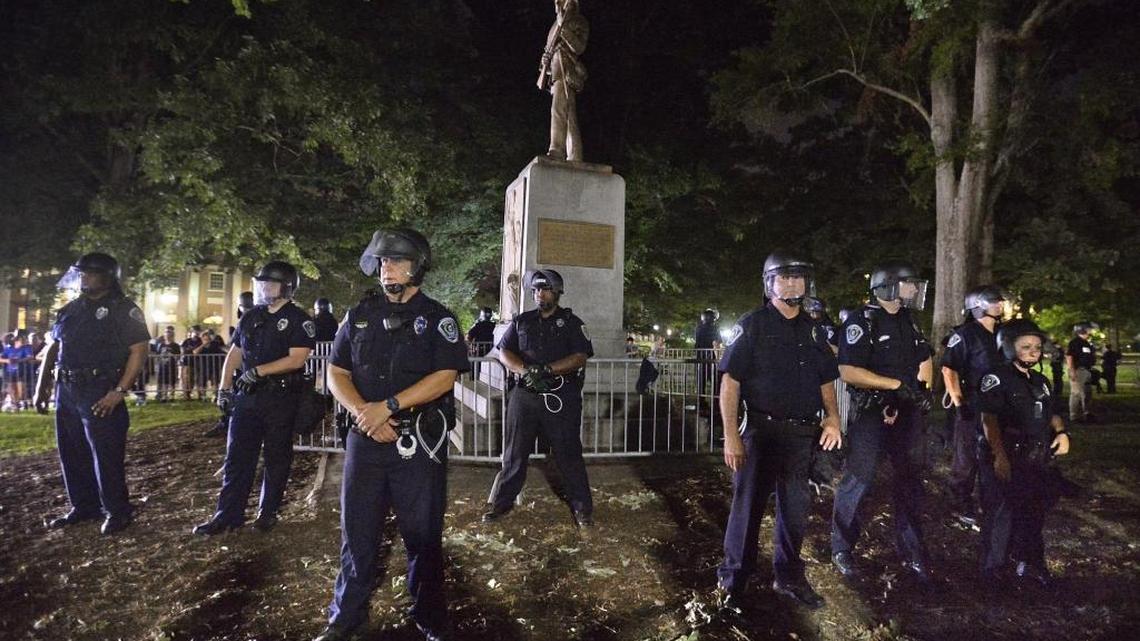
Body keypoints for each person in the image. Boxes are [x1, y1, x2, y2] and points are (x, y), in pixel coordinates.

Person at [315, 229, 468, 641]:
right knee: (357, 533)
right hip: (365, 440)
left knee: (422, 535)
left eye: (397, 261)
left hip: (417, 442)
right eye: (383, 262)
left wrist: (389, 407)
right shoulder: (358, 314)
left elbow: (445, 375)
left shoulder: (439, 318)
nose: (388, 269)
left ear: (417, 267)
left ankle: (430, 616)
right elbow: (337, 371)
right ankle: (346, 616)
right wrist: (365, 413)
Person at [715, 253, 842, 612]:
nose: (792, 284)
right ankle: (733, 581)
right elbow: (730, 382)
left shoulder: (813, 329)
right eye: (784, 278)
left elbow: (826, 379)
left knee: (795, 511)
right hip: (762, 432)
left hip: (803, 437)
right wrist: (731, 435)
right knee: (747, 509)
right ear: (769, 284)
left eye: (798, 278)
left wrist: (832, 417)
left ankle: (788, 577)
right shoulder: (752, 325)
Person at [830, 261, 935, 585]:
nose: (915, 289)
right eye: (909, 284)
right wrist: (893, 386)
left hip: (907, 412)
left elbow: (923, 359)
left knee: (910, 481)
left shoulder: (909, 321)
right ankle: (842, 548)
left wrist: (921, 393)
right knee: (859, 479)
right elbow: (847, 370)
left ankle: (912, 550)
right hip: (872, 411)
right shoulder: (862, 321)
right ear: (888, 286)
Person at [192, 260, 315, 535]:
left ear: (287, 287)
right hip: (247, 398)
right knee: (237, 457)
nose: (264, 288)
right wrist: (224, 388)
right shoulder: (251, 316)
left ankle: (267, 512)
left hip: (280, 397)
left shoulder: (299, 319)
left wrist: (259, 371)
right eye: (261, 283)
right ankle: (227, 515)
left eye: (270, 283)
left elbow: (297, 359)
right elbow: (235, 353)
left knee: (276, 457)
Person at [34, 252, 150, 535]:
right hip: (67, 390)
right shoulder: (70, 309)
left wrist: (119, 392)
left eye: (88, 273)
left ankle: (116, 510)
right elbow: (53, 347)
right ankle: (83, 506)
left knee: (106, 453)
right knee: (71, 452)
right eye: (80, 272)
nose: (82, 277)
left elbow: (139, 351)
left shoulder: (124, 309)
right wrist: (42, 386)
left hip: (100, 388)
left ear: (107, 277)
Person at [482, 269, 595, 527]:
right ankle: (502, 505)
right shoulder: (523, 321)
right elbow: (503, 352)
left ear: (557, 292)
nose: (539, 294)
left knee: (568, 454)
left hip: (560, 395)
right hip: (526, 394)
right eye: (535, 290)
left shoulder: (571, 323)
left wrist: (547, 370)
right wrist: (525, 371)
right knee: (514, 454)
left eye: (544, 289)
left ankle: (582, 510)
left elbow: (580, 356)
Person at [977, 319, 1071, 587]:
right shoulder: (995, 378)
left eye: (1038, 347)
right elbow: (989, 419)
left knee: (1033, 511)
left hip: (1034, 457)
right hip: (1005, 453)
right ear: (1007, 347)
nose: (1034, 351)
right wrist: (999, 456)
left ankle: (1029, 562)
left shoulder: (1041, 381)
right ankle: (993, 569)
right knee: (1001, 512)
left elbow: (1052, 412)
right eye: (1026, 346)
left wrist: (1062, 432)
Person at [940, 285, 1006, 525]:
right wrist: (959, 403)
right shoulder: (965, 334)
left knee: (997, 452)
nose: (999, 305)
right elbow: (949, 369)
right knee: (966, 457)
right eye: (993, 301)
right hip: (973, 402)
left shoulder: (1003, 334)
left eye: (1000, 301)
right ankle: (959, 503)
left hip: (999, 404)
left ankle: (993, 500)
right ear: (977, 306)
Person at [539, 0, 589, 161]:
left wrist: (564, 28)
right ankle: (575, 154)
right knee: (568, 115)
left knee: (559, 110)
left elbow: (579, 47)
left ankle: (557, 150)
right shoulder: (554, 26)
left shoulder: (579, 21)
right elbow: (547, 54)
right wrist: (544, 64)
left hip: (567, 71)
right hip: (555, 74)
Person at [1066, 322, 1097, 423]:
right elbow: (1069, 356)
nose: (1090, 331)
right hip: (1078, 370)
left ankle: (1087, 413)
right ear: (1083, 330)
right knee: (1076, 393)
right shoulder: (1075, 342)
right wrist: (1072, 371)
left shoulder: (1086, 343)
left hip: (1086, 370)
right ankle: (1074, 416)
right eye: (1089, 329)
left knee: (1087, 393)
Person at [694, 308, 720, 414]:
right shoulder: (714, 329)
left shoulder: (698, 328)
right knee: (715, 382)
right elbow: (716, 344)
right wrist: (718, 358)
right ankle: (715, 402)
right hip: (710, 359)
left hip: (700, 358)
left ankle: (701, 403)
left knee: (701, 382)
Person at [154, 326, 181, 402]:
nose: (167, 334)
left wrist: (172, 355)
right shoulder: (161, 345)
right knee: (163, 381)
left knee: (171, 380)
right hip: (162, 365)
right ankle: (164, 396)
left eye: (169, 332)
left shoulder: (175, 346)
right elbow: (157, 355)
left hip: (171, 365)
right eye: (166, 332)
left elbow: (178, 356)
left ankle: (172, 395)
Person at [180, 325, 203, 400]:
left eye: (197, 331)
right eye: (194, 331)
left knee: (196, 379)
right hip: (187, 363)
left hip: (198, 363)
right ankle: (186, 395)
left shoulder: (201, 341)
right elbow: (183, 351)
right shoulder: (187, 341)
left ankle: (199, 395)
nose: (196, 333)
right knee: (187, 379)